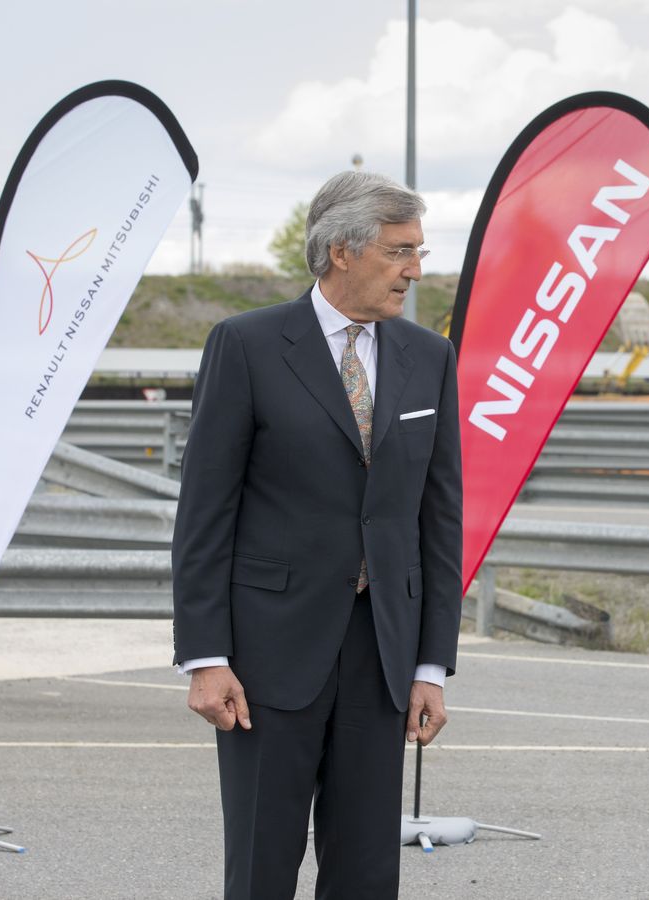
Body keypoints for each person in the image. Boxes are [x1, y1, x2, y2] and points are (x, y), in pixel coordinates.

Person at [171, 170, 462, 899]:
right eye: (400, 251)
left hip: (383, 654)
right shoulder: (245, 344)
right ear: (342, 250)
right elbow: (205, 512)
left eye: (417, 251)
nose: (415, 271)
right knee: (262, 864)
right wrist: (204, 656)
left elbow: (438, 518)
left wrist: (431, 664)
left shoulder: (429, 358)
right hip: (265, 655)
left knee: (367, 871)